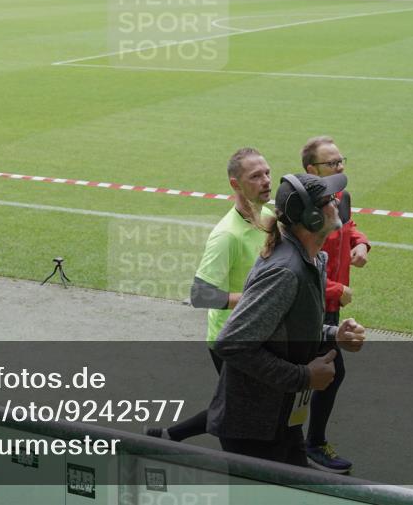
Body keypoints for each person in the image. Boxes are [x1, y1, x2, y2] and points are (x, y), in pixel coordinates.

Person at [208, 172, 366, 464]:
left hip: (281, 417)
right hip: (255, 430)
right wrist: (304, 376)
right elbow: (231, 343)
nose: (337, 204)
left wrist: (334, 335)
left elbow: (286, 328)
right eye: (329, 200)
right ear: (311, 216)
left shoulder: (312, 259)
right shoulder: (285, 271)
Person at [146, 147, 272, 441]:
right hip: (231, 340)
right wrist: (251, 299)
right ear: (235, 184)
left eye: (267, 173)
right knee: (242, 410)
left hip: (258, 334)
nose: (266, 180)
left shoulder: (268, 216)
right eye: (256, 176)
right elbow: (200, 295)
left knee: (242, 405)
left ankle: (167, 435)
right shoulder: (227, 235)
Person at [301, 136, 371, 473]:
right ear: (311, 170)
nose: (340, 167)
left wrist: (361, 245)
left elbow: (350, 227)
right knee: (328, 370)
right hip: (313, 302)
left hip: (332, 302)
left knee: (321, 371)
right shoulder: (305, 209)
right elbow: (299, 262)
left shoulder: (341, 197)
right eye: (332, 163)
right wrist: (335, 288)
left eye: (342, 160)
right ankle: (311, 444)